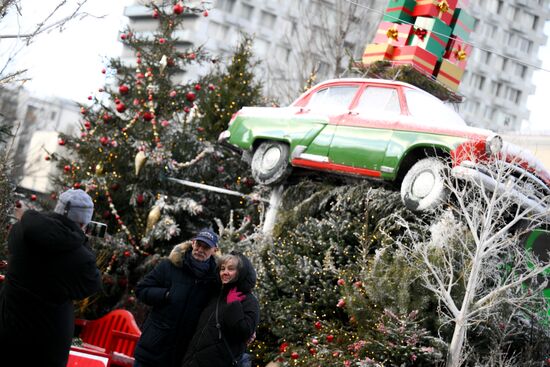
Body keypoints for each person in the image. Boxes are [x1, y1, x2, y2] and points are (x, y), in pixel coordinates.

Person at [0, 189, 102, 367]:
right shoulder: (80, 257)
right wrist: (83, 240)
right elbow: (91, 285)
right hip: (46, 343)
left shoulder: (20, 230)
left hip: (8, 327)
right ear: (83, 222)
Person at [134, 228, 220, 367]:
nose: (200, 249)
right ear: (192, 243)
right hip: (153, 348)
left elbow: (221, 308)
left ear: (214, 250)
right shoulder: (169, 265)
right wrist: (165, 294)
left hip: (181, 355)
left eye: (206, 247)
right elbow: (141, 289)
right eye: (198, 244)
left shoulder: (214, 279)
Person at [181, 250, 260, 367]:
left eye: (231, 269)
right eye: (222, 269)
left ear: (241, 272)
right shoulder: (216, 295)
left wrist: (233, 304)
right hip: (192, 361)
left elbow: (244, 332)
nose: (225, 272)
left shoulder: (249, 300)